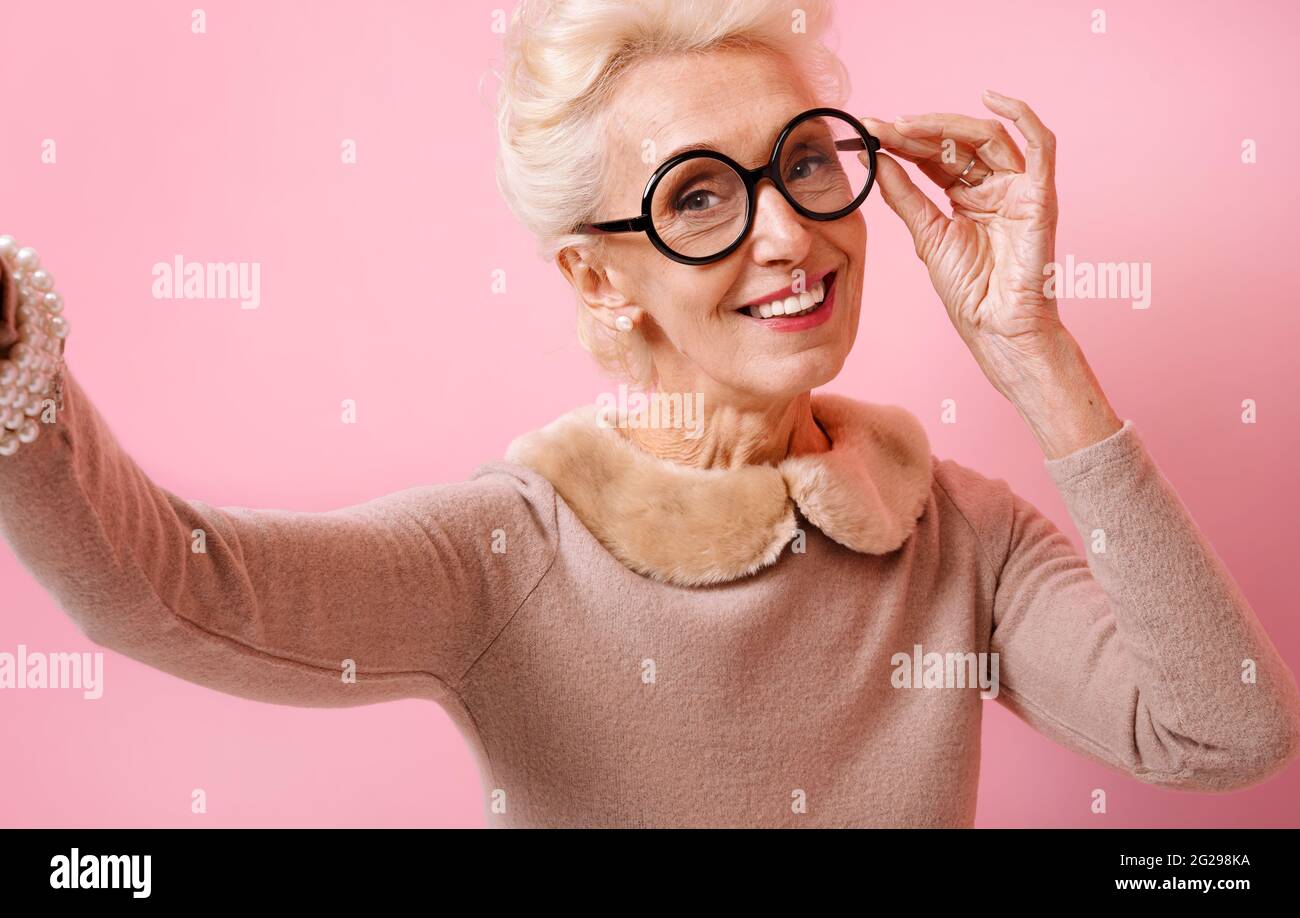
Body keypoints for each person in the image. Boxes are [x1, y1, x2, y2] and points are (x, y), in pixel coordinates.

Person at [2, 0, 1297, 828]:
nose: (791, 233)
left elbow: (1226, 727)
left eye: (803, 160)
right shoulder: (508, 550)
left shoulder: (965, 533)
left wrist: (1031, 348)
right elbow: (165, 588)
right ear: (597, 274)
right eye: (696, 196)